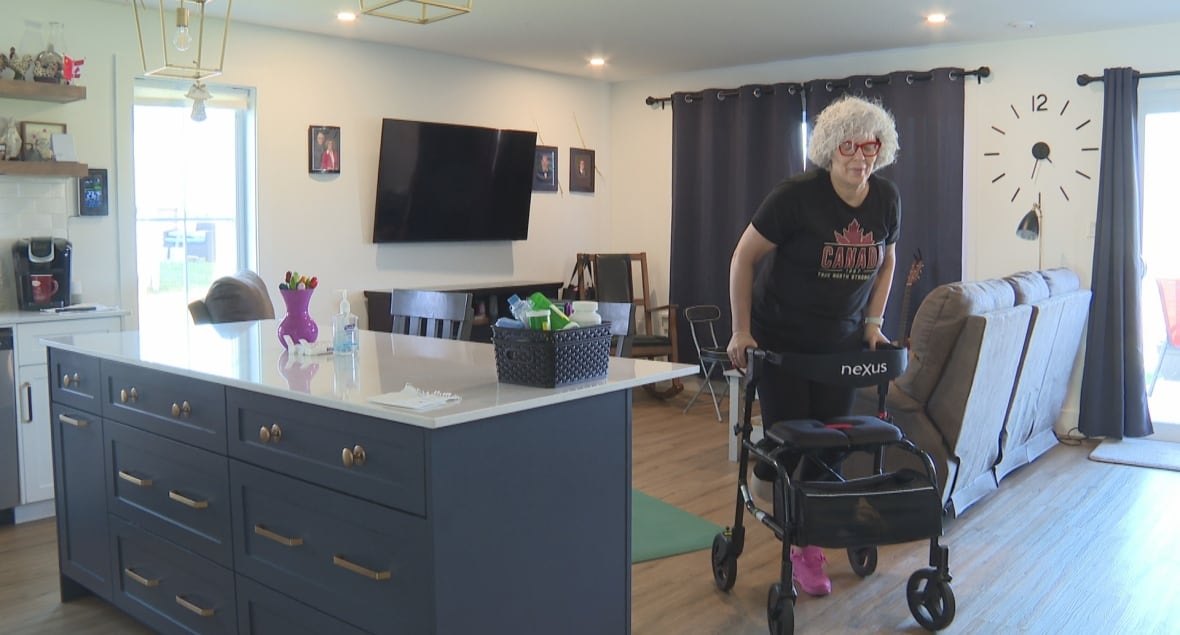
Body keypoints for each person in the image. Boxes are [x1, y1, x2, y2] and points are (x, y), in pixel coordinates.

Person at [726, 94, 900, 598]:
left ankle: (800, 520)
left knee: (834, 445)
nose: (859, 157)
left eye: (869, 146)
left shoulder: (886, 199)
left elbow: (886, 260)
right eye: (848, 145)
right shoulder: (795, 197)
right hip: (781, 339)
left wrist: (873, 321)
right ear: (829, 148)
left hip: (841, 344)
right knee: (797, 438)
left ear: (880, 149)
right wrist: (741, 331)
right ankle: (801, 542)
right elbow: (743, 258)